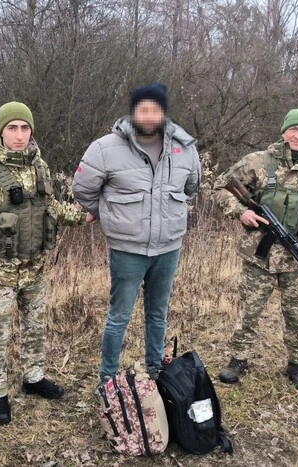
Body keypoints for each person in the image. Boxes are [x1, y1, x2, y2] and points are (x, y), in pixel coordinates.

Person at [0, 102, 86, 425]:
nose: (19, 135)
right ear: (1, 130)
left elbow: (50, 206)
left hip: (35, 265)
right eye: (12, 128)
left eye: (25, 128)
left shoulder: (38, 165)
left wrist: (84, 216)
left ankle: (33, 376)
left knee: (34, 325)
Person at [71, 82, 201, 382]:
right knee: (119, 317)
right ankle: (107, 379)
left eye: (155, 109)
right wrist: (110, 214)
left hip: (168, 247)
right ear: (133, 112)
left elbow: (191, 187)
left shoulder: (185, 147)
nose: (149, 116)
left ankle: (156, 373)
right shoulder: (105, 148)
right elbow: (82, 188)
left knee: (158, 314)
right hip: (127, 249)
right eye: (143, 109)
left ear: (163, 112)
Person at [213, 106, 298, 397]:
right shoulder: (258, 161)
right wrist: (240, 212)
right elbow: (220, 187)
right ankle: (238, 359)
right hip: (257, 256)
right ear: (284, 131)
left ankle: (297, 365)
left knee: (297, 316)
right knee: (249, 311)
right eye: (294, 129)